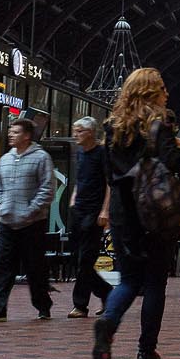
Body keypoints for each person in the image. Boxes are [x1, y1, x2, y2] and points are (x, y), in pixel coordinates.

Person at [95, 68, 180, 359]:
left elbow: (109, 174)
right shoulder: (159, 124)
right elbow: (173, 163)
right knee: (155, 283)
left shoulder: (112, 128)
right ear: (150, 92)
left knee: (129, 280)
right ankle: (146, 352)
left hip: (123, 212)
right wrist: (179, 149)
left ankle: (109, 321)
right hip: (155, 214)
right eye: (162, 88)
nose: (167, 93)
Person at [0, 117, 57, 322]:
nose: (11, 135)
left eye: (16, 132)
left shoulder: (41, 158)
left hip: (33, 224)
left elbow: (47, 189)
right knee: (0, 266)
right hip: (7, 223)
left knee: (35, 267)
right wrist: (1, 207)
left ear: (27, 135)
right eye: (10, 131)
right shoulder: (5, 159)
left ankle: (43, 305)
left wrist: (30, 211)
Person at [66, 117, 112, 319]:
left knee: (85, 259)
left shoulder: (102, 154)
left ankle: (80, 305)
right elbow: (80, 178)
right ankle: (106, 292)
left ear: (91, 133)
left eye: (79, 131)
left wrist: (105, 211)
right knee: (77, 257)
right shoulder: (80, 154)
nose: (76, 134)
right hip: (80, 209)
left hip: (95, 212)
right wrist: (74, 196)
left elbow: (109, 183)